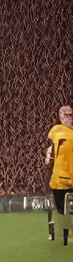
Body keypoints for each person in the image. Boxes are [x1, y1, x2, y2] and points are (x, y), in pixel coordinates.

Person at [46, 105, 73, 245]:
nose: (68, 118)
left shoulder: (63, 132)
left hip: (65, 176)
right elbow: (50, 152)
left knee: (62, 208)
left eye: (69, 115)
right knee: (57, 207)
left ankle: (64, 235)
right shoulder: (57, 131)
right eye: (66, 115)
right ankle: (55, 233)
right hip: (59, 177)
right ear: (61, 115)